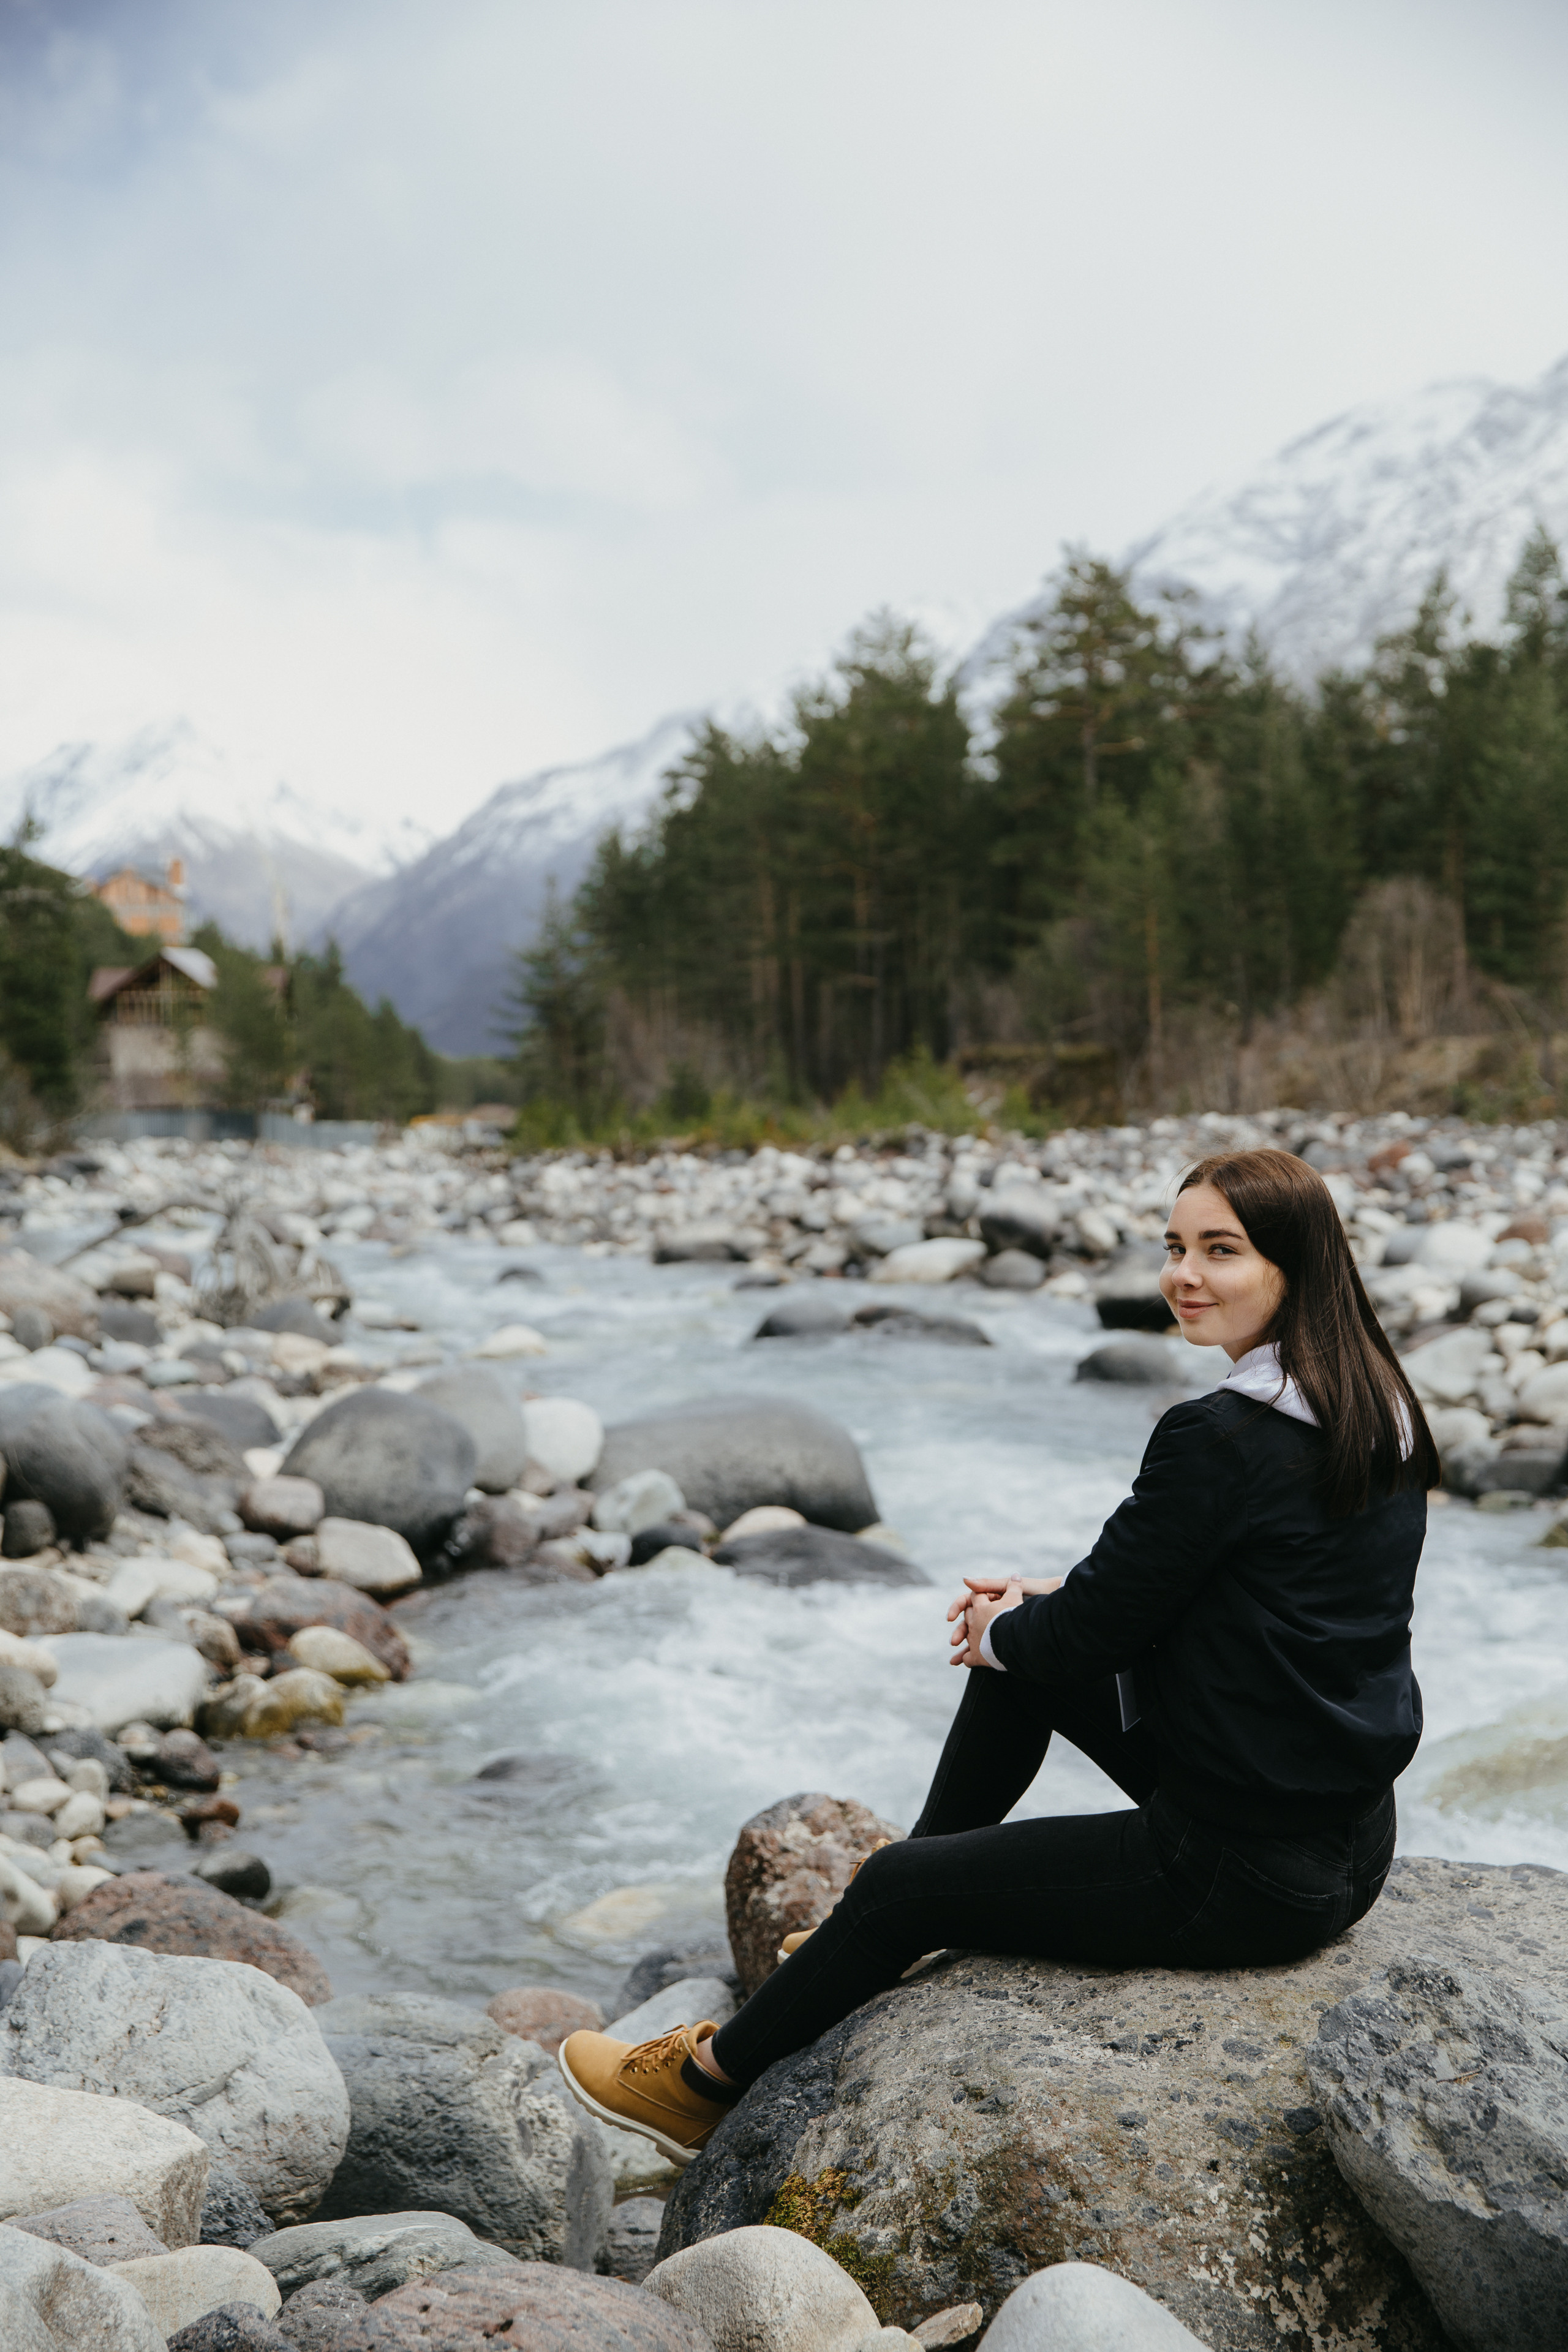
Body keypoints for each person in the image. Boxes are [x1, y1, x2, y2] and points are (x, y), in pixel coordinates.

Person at [559, 1146, 1438, 2168]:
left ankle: (697, 2088)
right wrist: (1039, 1611)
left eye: (1221, 1251)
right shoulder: (1371, 1406)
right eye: (1175, 1247)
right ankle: (890, 1930)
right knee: (1023, 1660)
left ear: (1296, 1267)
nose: (1183, 1275)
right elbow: (1231, 1591)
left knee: (900, 1878)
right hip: (1346, 1841)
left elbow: (1096, 1633)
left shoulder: (1221, 1435)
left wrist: (1004, 1628)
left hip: (1239, 1871)